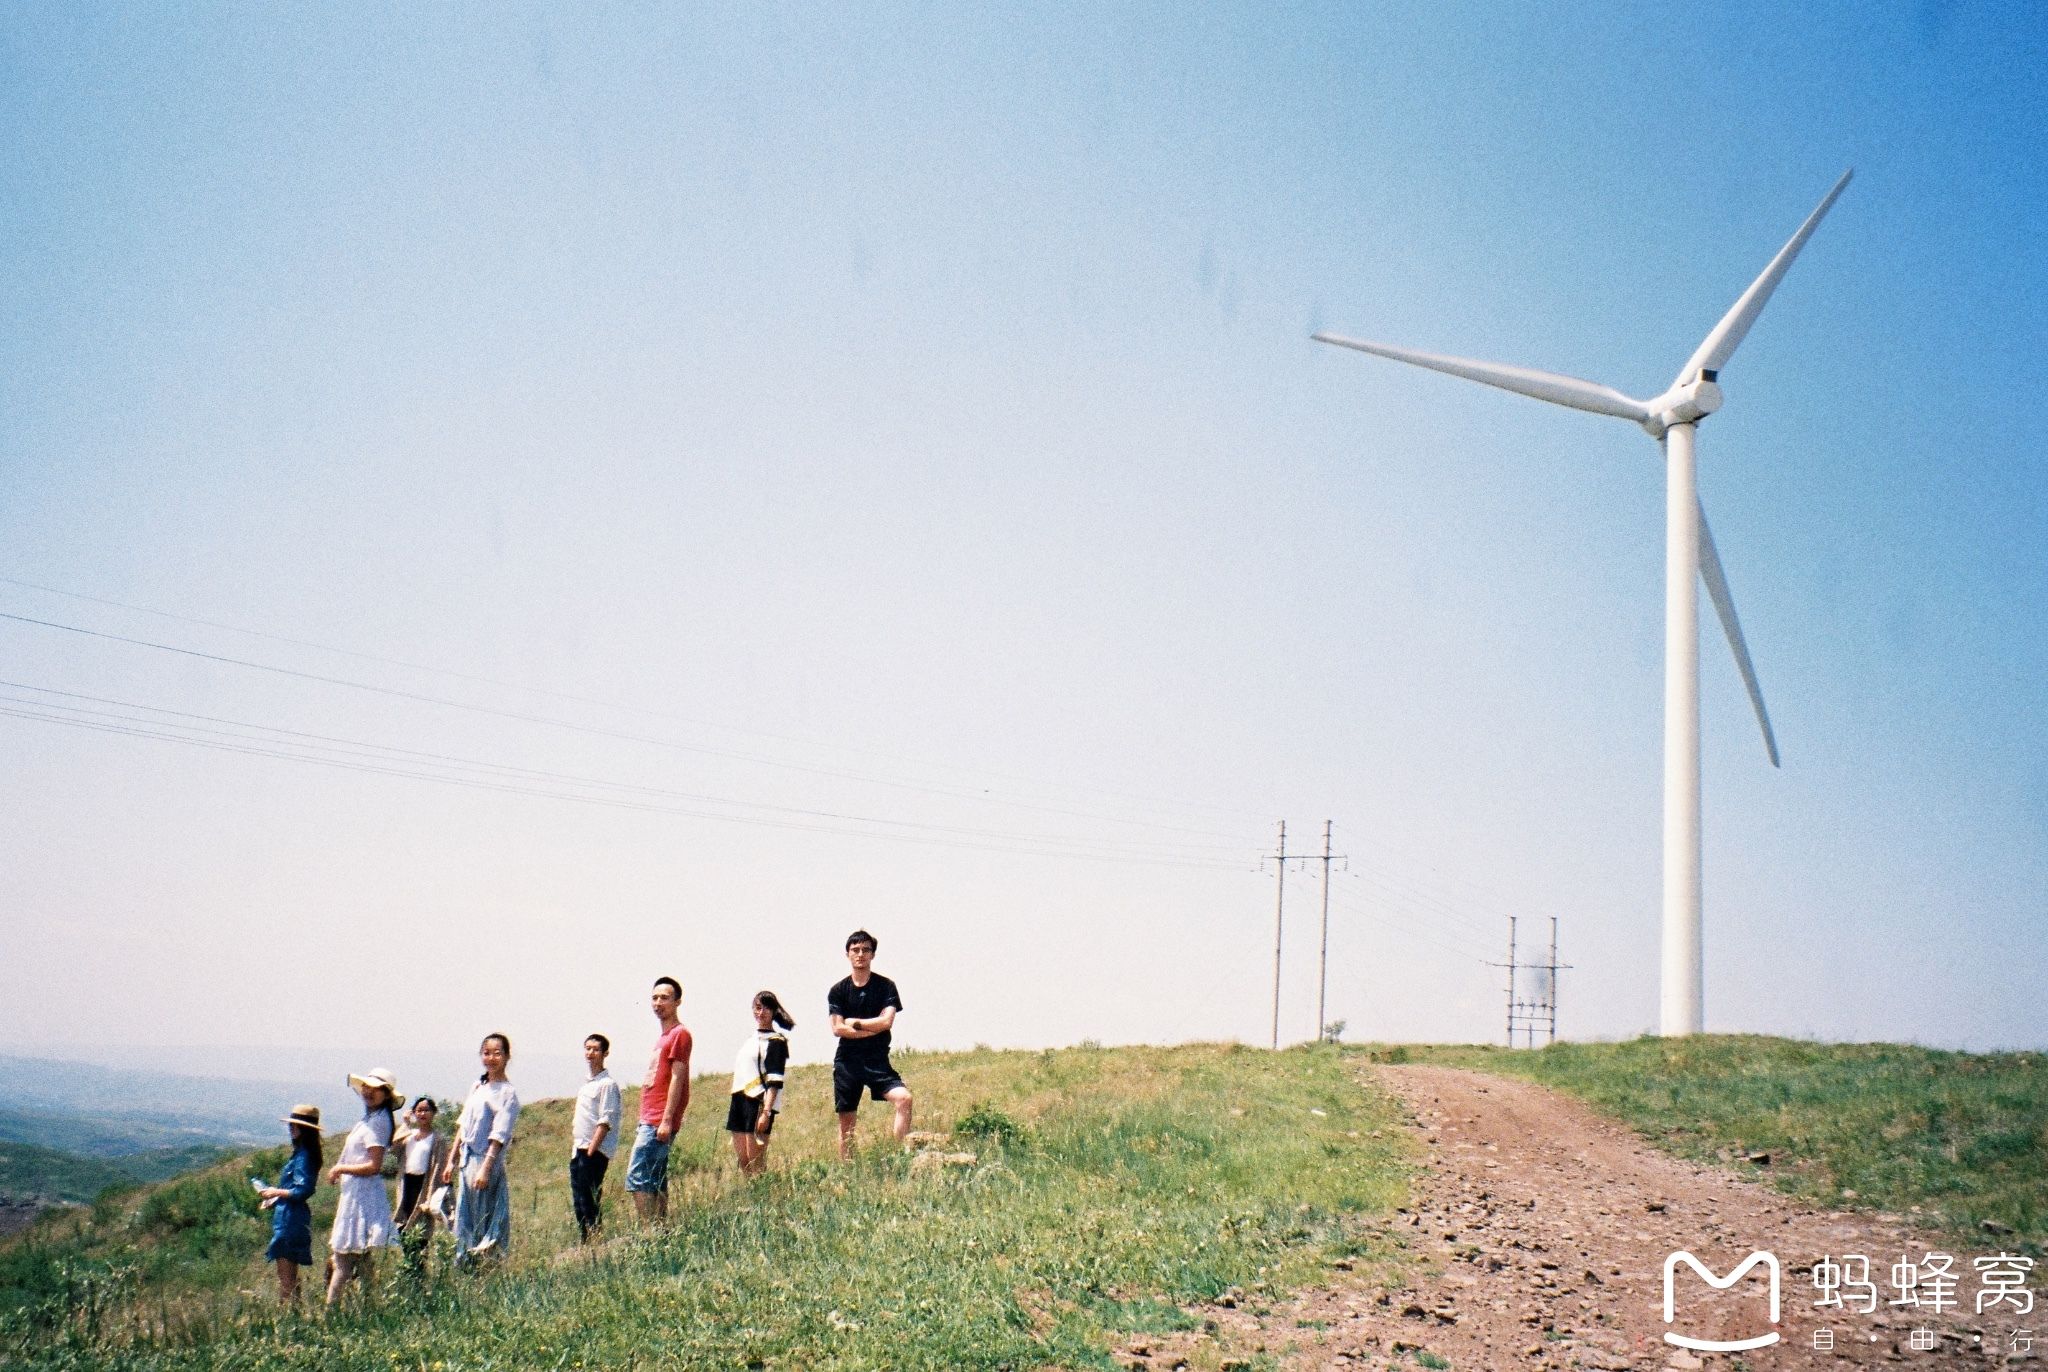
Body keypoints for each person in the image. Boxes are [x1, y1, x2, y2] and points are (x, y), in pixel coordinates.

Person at [828, 929, 912, 1159]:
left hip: (877, 1060)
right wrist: (868, 1030)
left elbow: (887, 1022)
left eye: (866, 949)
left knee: (904, 1099)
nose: (860, 954)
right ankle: (847, 1170)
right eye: (855, 950)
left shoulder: (886, 986)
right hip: (847, 1061)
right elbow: (837, 1028)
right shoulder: (838, 991)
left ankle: (899, 1157)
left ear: (872, 954)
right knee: (846, 1121)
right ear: (847, 954)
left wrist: (855, 1023)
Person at [440, 1033, 521, 1265]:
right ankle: (465, 1263)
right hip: (467, 1159)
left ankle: (485, 1265)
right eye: (487, 1053)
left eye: (497, 1053)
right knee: (465, 1216)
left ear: (506, 1056)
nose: (491, 1058)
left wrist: (485, 1168)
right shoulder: (478, 1085)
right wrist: (451, 1160)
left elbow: (499, 1135)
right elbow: (463, 1124)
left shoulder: (507, 1093)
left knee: (483, 1215)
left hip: (485, 1160)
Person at [327, 1068, 401, 1305]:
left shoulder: (377, 1122)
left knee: (343, 1260)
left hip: (362, 1196)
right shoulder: (371, 1118)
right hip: (356, 1194)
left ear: (386, 1095)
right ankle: (371, 1309)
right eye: (366, 1087)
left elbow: (374, 1165)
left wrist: (341, 1169)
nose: (369, 1092)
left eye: (376, 1089)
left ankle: (331, 1313)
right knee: (362, 1260)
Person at [626, 977, 693, 1224]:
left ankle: (650, 1233)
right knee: (656, 1177)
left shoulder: (679, 1034)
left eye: (664, 998)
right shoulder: (663, 1037)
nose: (658, 1003)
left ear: (677, 1002)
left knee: (638, 1178)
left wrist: (666, 1119)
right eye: (654, 998)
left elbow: (678, 1078)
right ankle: (662, 1231)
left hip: (658, 1120)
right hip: (651, 1117)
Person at [258, 1103, 321, 1304]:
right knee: (289, 1277)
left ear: (306, 1129)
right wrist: (275, 1198)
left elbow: (303, 1189)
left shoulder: (304, 1156)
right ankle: (294, 1315)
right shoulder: (303, 1153)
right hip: (290, 1215)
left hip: (290, 1219)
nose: (291, 1128)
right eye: (291, 1125)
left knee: (286, 1278)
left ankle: (290, 1318)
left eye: (296, 1125)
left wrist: (276, 1191)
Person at [727, 991, 793, 1177]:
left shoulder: (776, 1041)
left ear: (774, 1011)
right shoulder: (750, 1040)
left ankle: (764, 1196)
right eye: (757, 1007)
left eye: (766, 1008)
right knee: (744, 1160)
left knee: (756, 1161)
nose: (761, 1012)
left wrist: (766, 1112)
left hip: (758, 1101)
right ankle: (751, 1197)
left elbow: (775, 1080)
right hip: (739, 1100)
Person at [569, 1032, 622, 1241]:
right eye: (588, 1049)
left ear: (605, 1053)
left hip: (593, 1151)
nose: (591, 1053)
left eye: (596, 1049)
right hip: (579, 1150)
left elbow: (605, 1120)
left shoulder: (607, 1084)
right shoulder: (586, 1085)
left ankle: (595, 1240)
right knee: (579, 1200)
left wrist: (591, 1151)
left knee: (589, 1199)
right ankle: (586, 1240)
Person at [392, 1097, 443, 1226]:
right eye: (419, 1110)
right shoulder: (409, 1134)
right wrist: (406, 1124)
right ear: (413, 1113)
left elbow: (438, 1165)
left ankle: (420, 1245)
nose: (422, 1113)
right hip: (406, 1181)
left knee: (422, 1220)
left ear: (433, 1113)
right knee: (404, 1217)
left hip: (424, 1182)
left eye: (426, 1110)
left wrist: (432, 1192)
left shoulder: (437, 1139)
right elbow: (393, 1146)